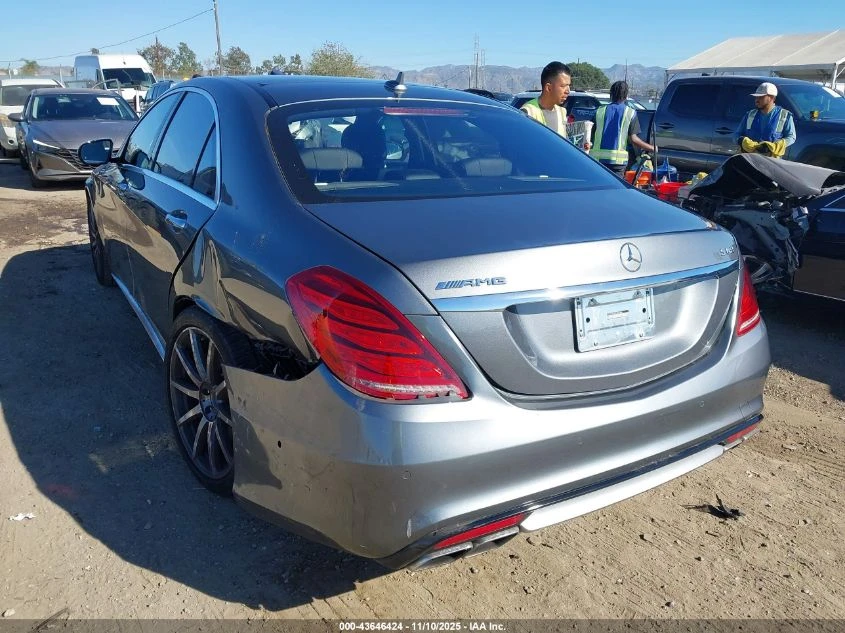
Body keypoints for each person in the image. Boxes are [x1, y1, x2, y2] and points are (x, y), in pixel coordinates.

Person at [590, 80, 654, 176]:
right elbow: (634, 139)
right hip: (618, 162)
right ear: (626, 95)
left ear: (611, 94)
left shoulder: (599, 111)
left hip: (597, 160)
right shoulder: (630, 113)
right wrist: (652, 148)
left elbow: (591, 135)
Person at [735, 82, 796, 159]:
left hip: (771, 162)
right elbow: (736, 135)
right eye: (756, 97)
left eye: (761, 97)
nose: (756, 100)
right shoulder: (750, 115)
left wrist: (775, 146)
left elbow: (791, 137)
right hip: (750, 161)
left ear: (772, 98)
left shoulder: (784, 115)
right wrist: (741, 140)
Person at [520, 62, 572, 138]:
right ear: (548, 88)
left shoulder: (562, 112)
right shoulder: (528, 112)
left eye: (569, 86)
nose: (568, 91)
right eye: (563, 86)